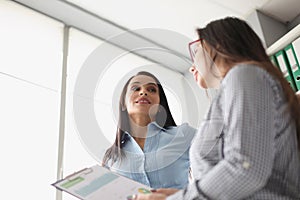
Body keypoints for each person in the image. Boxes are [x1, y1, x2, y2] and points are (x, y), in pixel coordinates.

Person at [135, 17, 300, 200]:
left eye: (196, 50)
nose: (192, 68)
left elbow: (245, 167)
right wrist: (183, 194)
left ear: (219, 45)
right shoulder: (238, 87)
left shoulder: (245, 75)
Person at [102, 71, 197, 189]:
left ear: (159, 104)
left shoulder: (184, 135)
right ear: (124, 104)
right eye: (136, 88)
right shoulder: (111, 158)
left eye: (152, 89)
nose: (143, 92)